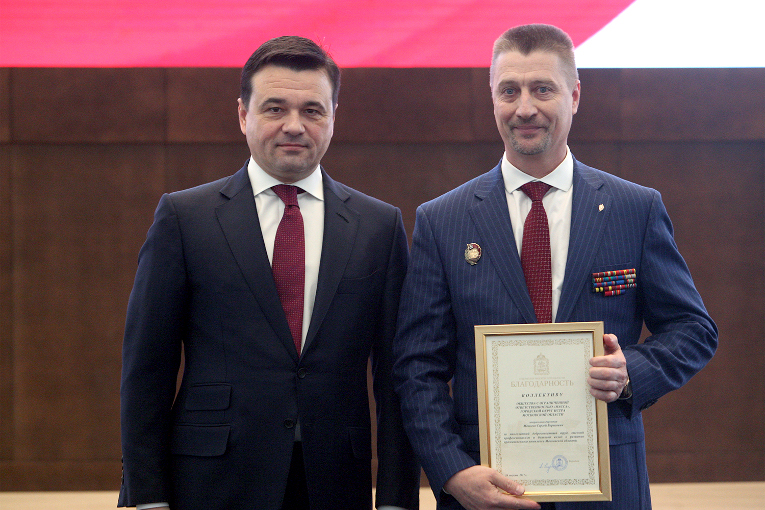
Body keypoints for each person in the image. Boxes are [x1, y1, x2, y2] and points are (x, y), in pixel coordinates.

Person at [392, 24, 717, 510]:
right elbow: (418, 366)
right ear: (493, 99)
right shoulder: (443, 220)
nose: (525, 108)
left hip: (608, 487)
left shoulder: (635, 208)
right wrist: (453, 472)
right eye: (509, 91)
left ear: (575, 95)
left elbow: (694, 330)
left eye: (542, 89)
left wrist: (633, 371)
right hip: (485, 490)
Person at [119, 36, 420, 510]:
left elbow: (396, 375)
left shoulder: (379, 226)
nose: (294, 126)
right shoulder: (185, 217)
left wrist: (398, 498)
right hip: (210, 480)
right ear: (243, 115)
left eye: (313, 111)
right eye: (275, 108)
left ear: (333, 117)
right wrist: (146, 496)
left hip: (335, 481)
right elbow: (146, 368)